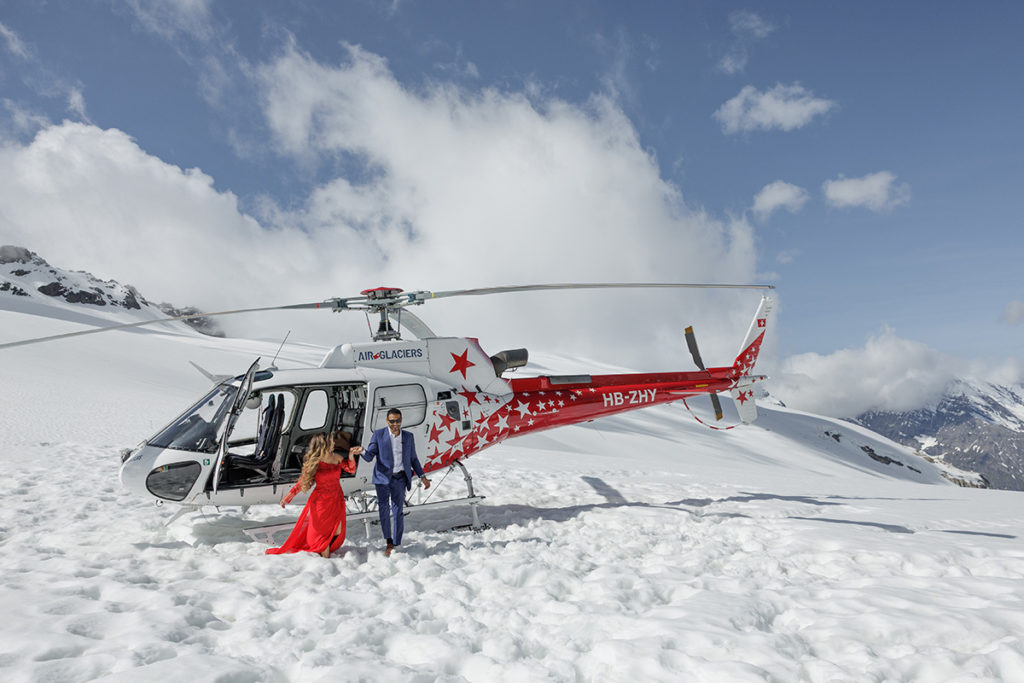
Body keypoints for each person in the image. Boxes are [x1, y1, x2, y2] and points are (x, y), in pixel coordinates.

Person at [266, 432, 358, 558]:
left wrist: (351, 456)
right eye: (330, 441)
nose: (333, 443)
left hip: (337, 498)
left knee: (338, 530)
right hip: (320, 502)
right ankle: (324, 558)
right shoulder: (314, 462)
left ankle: (323, 551)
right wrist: (288, 498)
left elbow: (351, 469)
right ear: (324, 444)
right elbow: (302, 482)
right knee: (322, 534)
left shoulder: (336, 457)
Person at [360, 408, 431, 556]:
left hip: (399, 478)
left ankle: (397, 543)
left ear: (401, 420)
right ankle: (389, 541)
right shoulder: (379, 435)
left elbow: (413, 459)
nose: (395, 424)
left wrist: (422, 476)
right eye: (392, 421)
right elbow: (369, 457)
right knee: (384, 509)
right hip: (383, 478)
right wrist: (361, 451)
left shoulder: (408, 437)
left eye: (398, 421)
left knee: (398, 511)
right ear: (387, 421)